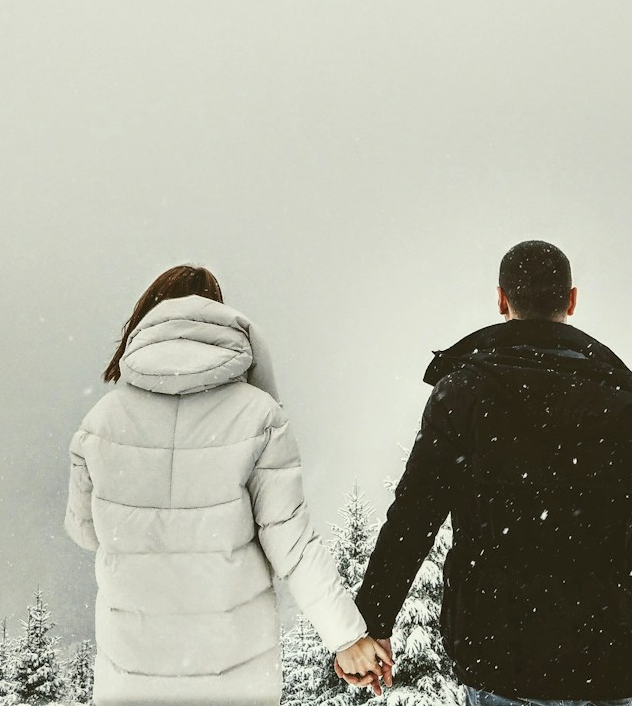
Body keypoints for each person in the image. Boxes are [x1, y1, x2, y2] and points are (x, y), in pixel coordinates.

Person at [337, 240, 632, 706]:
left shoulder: (463, 394)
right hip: (602, 655)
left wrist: (372, 625)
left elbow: (413, 518)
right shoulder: (627, 405)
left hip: (498, 653)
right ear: (571, 301)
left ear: (501, 300)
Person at [64, 264, 392, 705]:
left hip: (132, 674)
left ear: (146, 319)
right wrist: (347, 638)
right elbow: (293, 546)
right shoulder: (258, 414)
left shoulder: (101, 421)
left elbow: (85, 531)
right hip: (235, 674)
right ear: (217, 318)